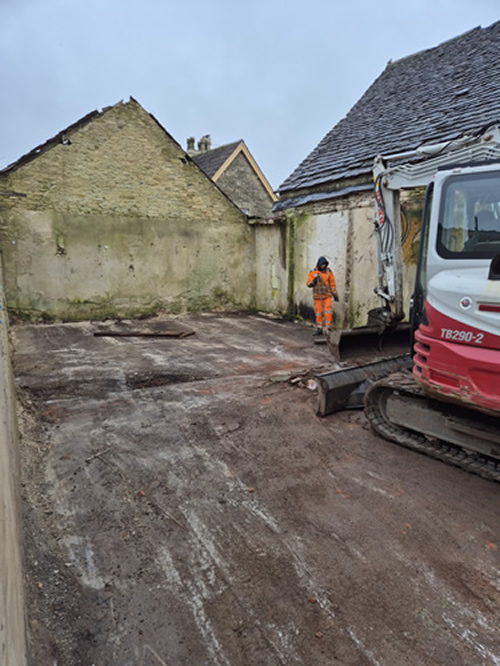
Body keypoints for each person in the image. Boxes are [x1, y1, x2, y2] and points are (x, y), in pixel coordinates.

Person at [306, 256, 339, 335]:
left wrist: (335, 295)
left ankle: (328, 329)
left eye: (325, 264)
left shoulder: (328, 272)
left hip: (327, 296)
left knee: (328, 312)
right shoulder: (313, 272)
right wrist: (314, 281)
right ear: (319, 264)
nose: (323, 266)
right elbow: (308, 284)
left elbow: (332, 284)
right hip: (317, 296)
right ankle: (319, 328)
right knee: (318, 313)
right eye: (322, 265)